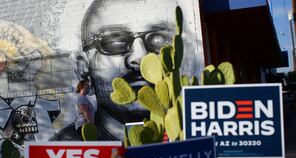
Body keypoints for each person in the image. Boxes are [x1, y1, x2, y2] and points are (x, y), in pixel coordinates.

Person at [52, 0, 202, 141]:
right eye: (114, 42)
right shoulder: (64, 148)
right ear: (83, 68)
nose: (140, 56)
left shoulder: (200, 136)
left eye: (159, 40)